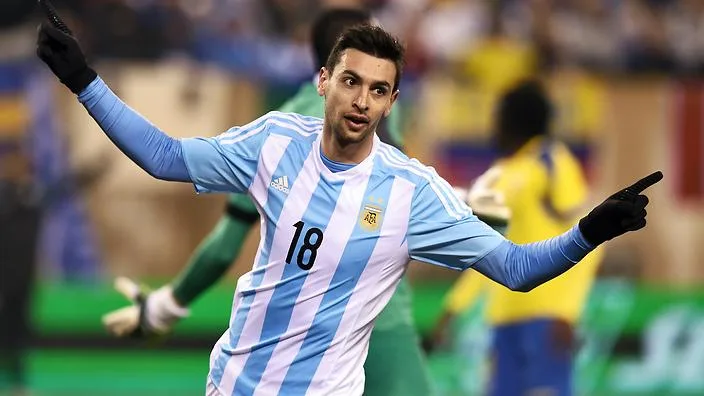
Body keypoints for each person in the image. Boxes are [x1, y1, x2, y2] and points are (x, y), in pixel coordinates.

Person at [36, 15, 661, 395]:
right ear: (323, 82)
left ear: (391, 105)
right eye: (352, 82)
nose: (363, 101)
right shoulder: (276, 141)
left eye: (379, 90)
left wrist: (588, 232)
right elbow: (165, 157)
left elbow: (516, 269)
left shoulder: (412, 192)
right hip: (233, 384)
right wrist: (85, 82)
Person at [100, 7, 432, 396]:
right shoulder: (385, 110)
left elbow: (226, 243)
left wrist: (163, 308)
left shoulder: (283, 130)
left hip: (301, 346)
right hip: (385, 322)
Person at [430, 80, 605, 396]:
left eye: (499, 116)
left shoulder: (553, 163)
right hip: (504, 321)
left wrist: (567, 311)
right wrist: (451, 311)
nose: (492, 125)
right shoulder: (501, 175)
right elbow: (484, 252)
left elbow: (589, 239)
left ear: (515, 121)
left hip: (547, 321)